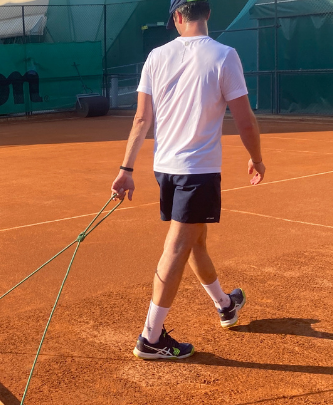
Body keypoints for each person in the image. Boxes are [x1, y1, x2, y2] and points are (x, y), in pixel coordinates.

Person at [110, 0, 266, 360]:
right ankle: (150, 338)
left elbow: (140, 120)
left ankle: (225, 305)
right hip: (198, 171)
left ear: (178, 17)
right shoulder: (225, 55)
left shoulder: (155, 56)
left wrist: (127, 169)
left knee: (195, 240)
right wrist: (257, 158)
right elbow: (245, 120)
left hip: (165, 168)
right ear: (207, 13)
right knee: (178, 247)